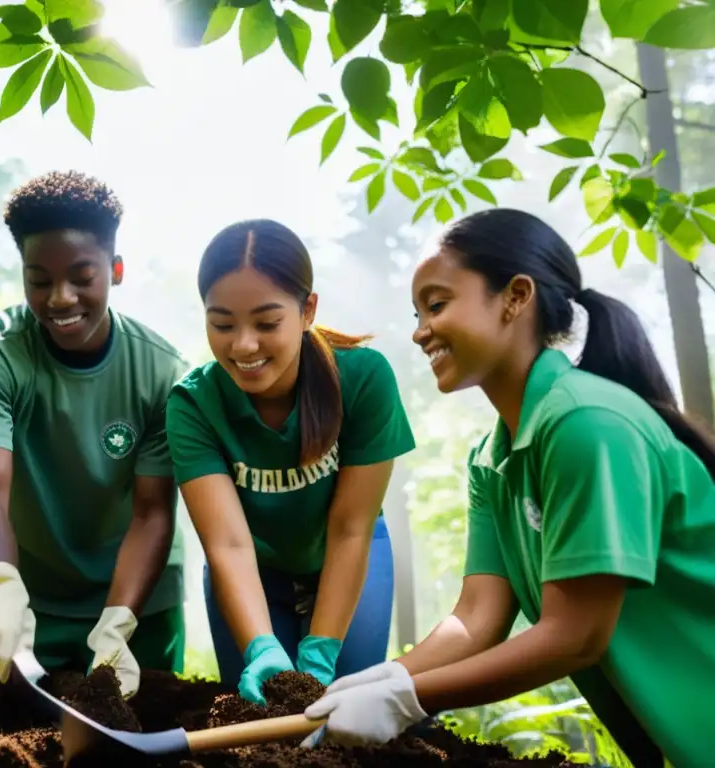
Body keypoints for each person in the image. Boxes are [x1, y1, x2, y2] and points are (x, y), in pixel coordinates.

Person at [303, 208, 715, 768]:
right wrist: (389, 677)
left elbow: (575, 635)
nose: (421, 330)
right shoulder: (491, 460)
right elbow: (477, 616)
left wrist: (408, 699)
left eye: (438, 304)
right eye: (417, 311)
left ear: (515, 297)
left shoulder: (587, 423)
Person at [0, 170, 189, 698]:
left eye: (82, 276)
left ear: (116, 270)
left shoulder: (160, 372)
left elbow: (153, 512)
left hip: (138, 608)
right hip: (31, 602)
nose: (61, 298)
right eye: (39, 280)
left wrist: (118, 624)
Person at [165, 219, 415, 705]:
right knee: (262, 717)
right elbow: (229, 544)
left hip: (347, 555)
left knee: (344, 713)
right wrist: (261, 646)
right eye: (222, 324)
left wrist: (319, 653)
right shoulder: (193, 405)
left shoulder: (363, 379)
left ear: (307, 311)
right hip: (252, 569)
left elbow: (350, 528)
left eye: (266, 323)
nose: (243, 345)